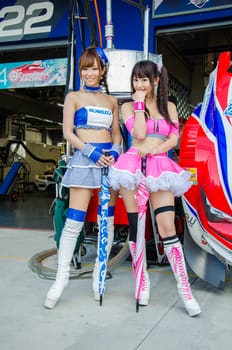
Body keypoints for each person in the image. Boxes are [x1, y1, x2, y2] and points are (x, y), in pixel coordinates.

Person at [109, 59, 201, 317]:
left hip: (160, 167)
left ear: (156, 81)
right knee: (136, 228)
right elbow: (138, 135)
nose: (139, 84)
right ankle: (142, 282)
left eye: (144, 79)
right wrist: (139, 104)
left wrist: (155, 151)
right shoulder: (127, 106)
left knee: (167, 227)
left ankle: (185, 290)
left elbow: (174, 138)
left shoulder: (168, 106)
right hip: (132, 167)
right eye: (135, 79)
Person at [44, 46, 122, 309]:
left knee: (107, 223)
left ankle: (99, 279)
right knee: (74, 222)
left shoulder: (112, 101)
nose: (90, 73)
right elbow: (68, 132)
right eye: (85, 68)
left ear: (103, 70)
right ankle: (60, 279)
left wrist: (113, 152)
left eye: (94, 68)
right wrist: (90, 152)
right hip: (84, 162)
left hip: (109, 163)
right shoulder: (73, 97)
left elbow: (117, 134)